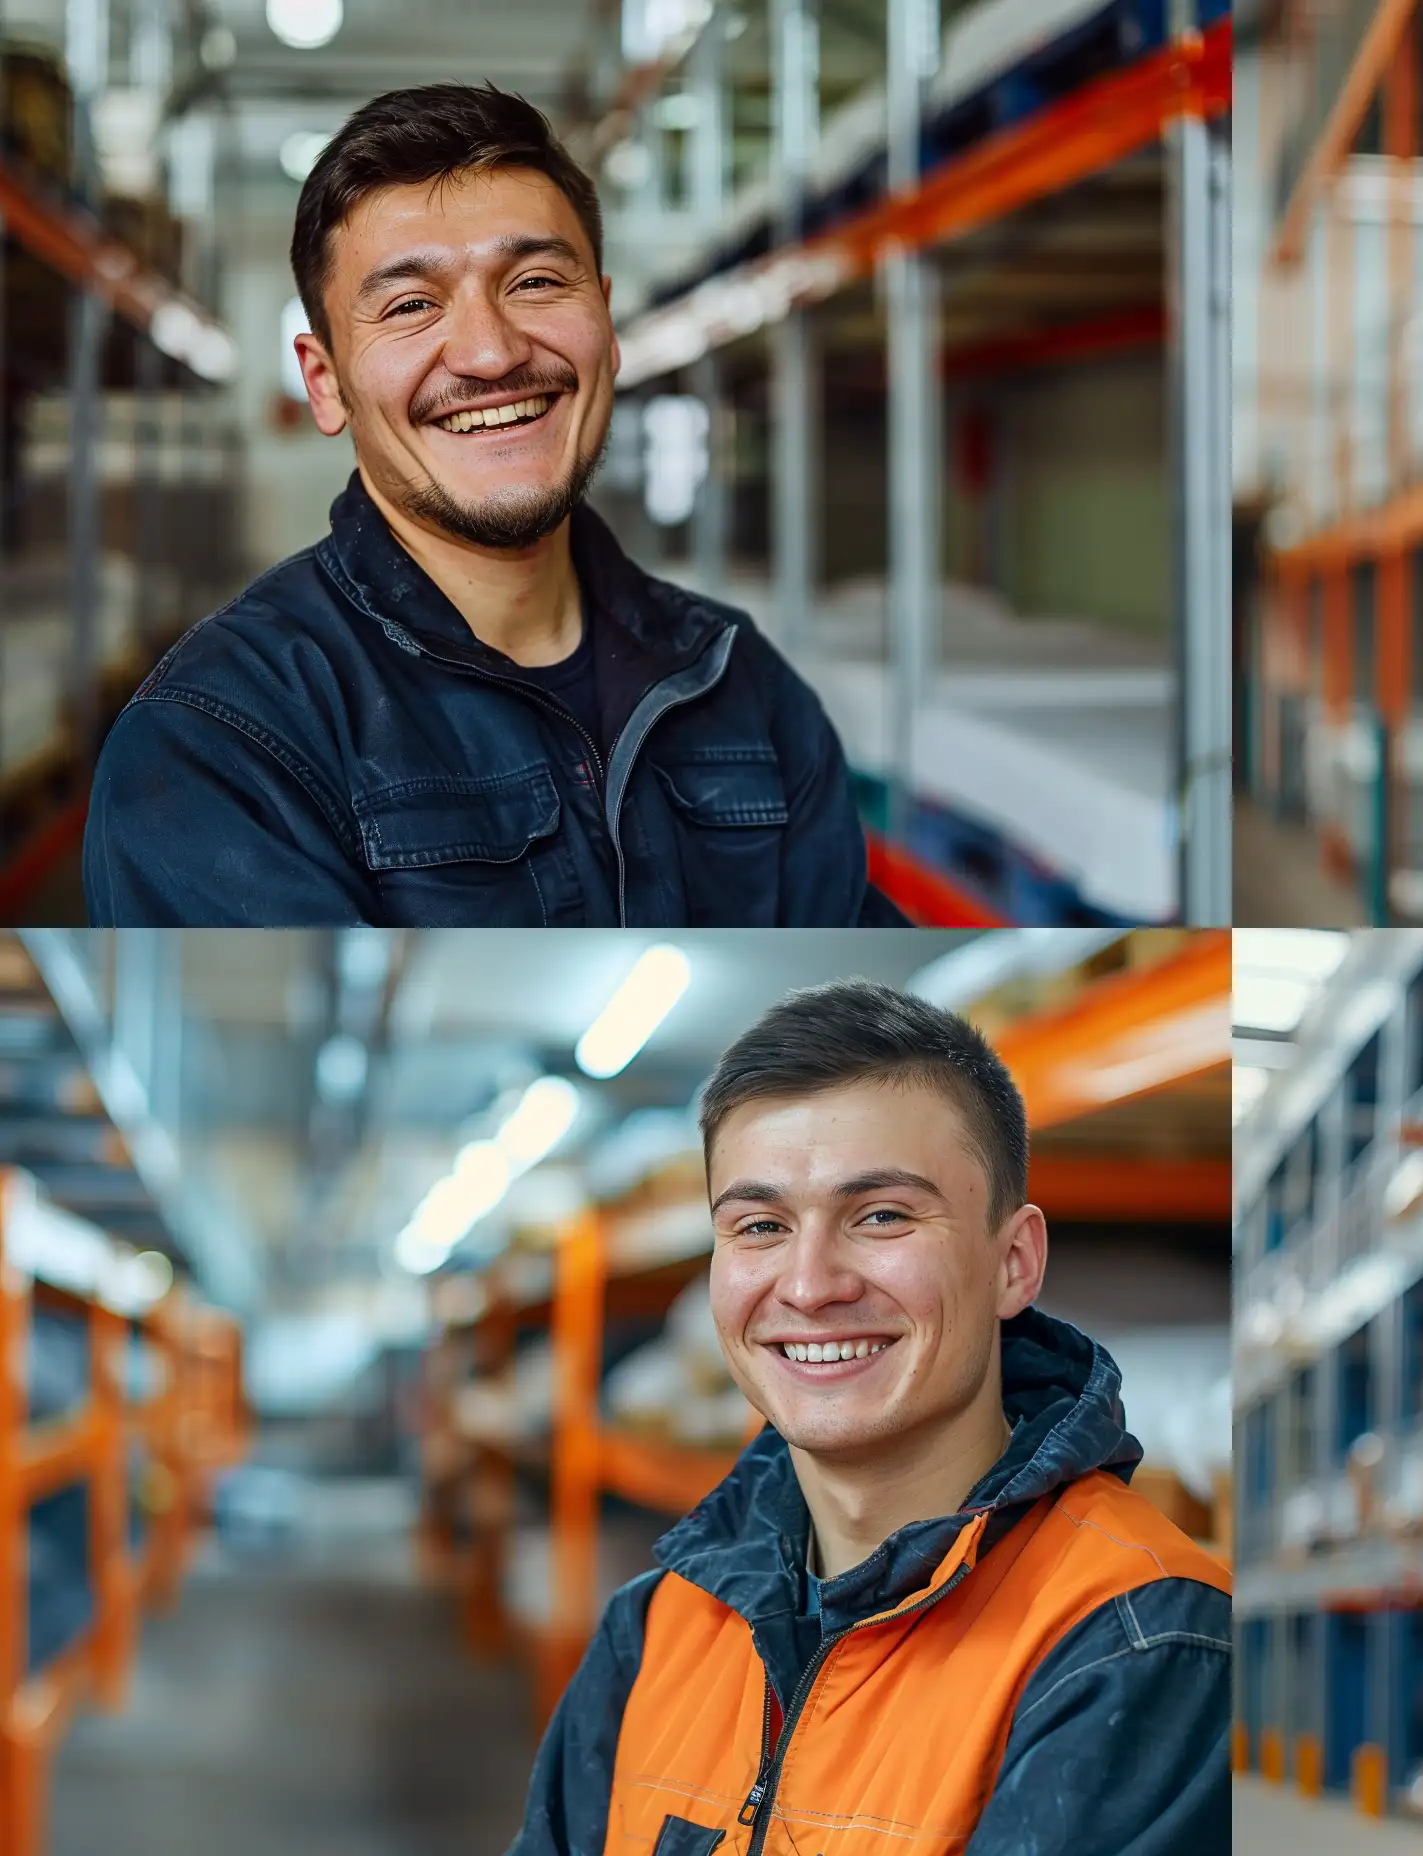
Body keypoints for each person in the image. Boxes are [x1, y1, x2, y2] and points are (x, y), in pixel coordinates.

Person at [83, 84, 902, 926]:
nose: (490, 352)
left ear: (608, 326)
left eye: (537, 282)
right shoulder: (219, 742)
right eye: (410, 305)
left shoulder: (741, 681)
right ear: (324, 384)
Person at [509, 981, 1231, 1856]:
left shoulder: (1137, 1640)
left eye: (881, 1215)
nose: (810, 1285)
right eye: (761, 1225)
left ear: (1014, 1263)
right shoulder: (655, 1626)